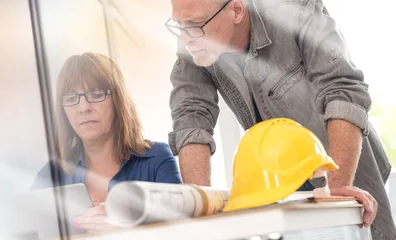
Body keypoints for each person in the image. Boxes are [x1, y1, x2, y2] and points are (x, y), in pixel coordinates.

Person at [166, 0, 394, 238]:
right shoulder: (194, 37)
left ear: (236, 10)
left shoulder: (294, 9)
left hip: (342, 165)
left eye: (195, 24)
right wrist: (202, 208)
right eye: (179, 25)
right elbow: (191, 119)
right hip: (278, 182)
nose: (184, 39)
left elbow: (343, 90)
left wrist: (336, 189)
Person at [31, 52, 182, 233]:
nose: (84, 107)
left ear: (117, 101)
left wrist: (127, 230)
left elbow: (183, 232)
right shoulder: (50, 175)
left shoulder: (156, 159)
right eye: (71, 99)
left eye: (95, 94)